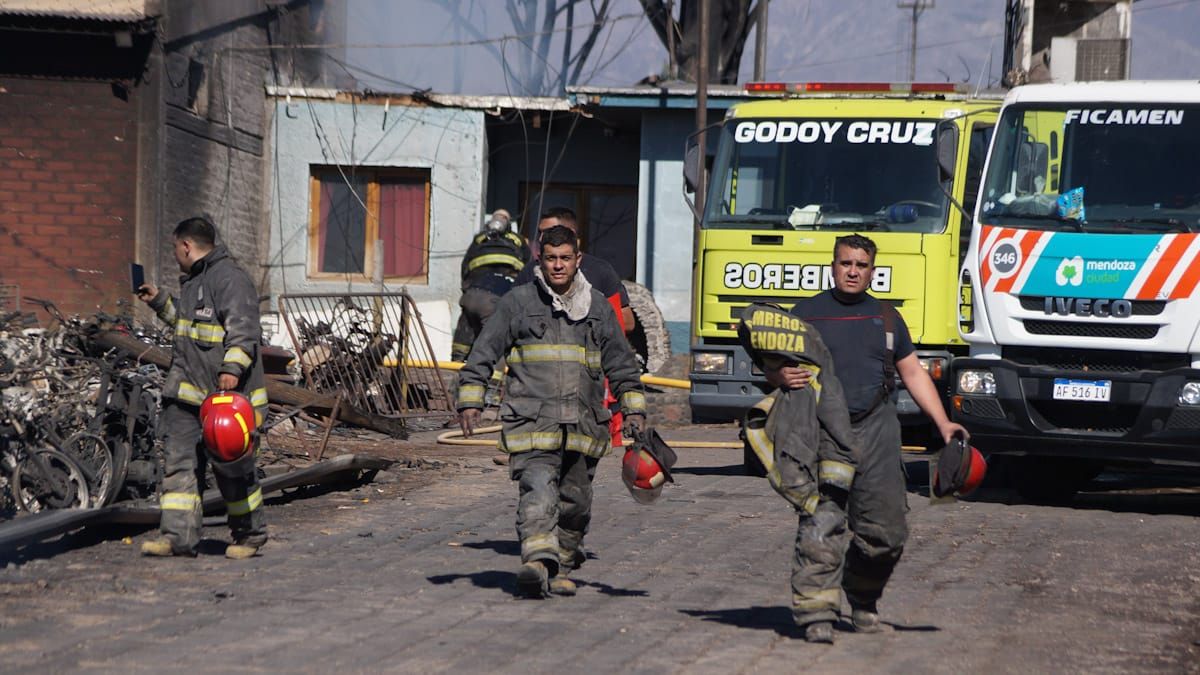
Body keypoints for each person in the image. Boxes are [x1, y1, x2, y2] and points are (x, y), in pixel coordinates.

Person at [765, 234, 968, 636]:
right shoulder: (804, 313)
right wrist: (778, 375)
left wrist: (943, 422)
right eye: (845, 263)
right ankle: (816, 617)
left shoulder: (888, 319)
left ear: (872, 271)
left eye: (861, 265)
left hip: (877, 430)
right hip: (821, 431)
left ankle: (861, 595)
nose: (852, 271)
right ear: (833, 266)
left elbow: (912, 373)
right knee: (822, 524)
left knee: (886, 534)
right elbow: (774, 366)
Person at [458, 225, 646, 598]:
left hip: (584, 424)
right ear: (539, 261)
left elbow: (622, 363)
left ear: (578, 260)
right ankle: (536, 561)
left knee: (575, 502)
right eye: (550, 259)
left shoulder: (596, 308)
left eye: (564, 258)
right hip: (533, 420)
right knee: (538, 490)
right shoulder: (518, 303)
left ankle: (561, 563)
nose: (557, 266)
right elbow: (483, 352)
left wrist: (635, 409)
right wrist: (471, 399)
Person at [136, 216, 269, 560]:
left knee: (232, 472)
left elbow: (244, 330)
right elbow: (189, 325)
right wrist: (158, 301)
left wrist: (232, 369)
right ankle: (177, 538)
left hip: (227, 401)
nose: (175, 254)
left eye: (174, 248)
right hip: (186, 394)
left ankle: (249, 536)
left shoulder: (231, 280)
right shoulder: (195, 282)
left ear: (186, 245)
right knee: (179, 466)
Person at [450, 208, 530, 362]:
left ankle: (456, 365)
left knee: (465, 329)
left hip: (472, 294)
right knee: (495, 340)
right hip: (498, 298)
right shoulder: (517, 240)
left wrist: (465, 289)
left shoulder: (480, 239)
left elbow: (465, 265)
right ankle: (493, 382)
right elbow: (528, 268)